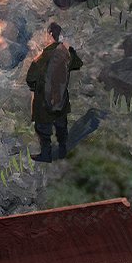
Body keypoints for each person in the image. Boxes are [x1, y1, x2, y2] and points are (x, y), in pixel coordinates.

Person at [26, 22, 83, 162]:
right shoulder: (65, 53)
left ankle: (46, 154)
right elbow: (77, 64)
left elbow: (30, 78)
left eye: (46, 34)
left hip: (43, 101)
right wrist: (70, 49)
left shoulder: (43, 56)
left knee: (43, 129)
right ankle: (63, 150)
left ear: (50, 34)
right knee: (61, 125)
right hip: (61, 98)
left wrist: (34, 88)